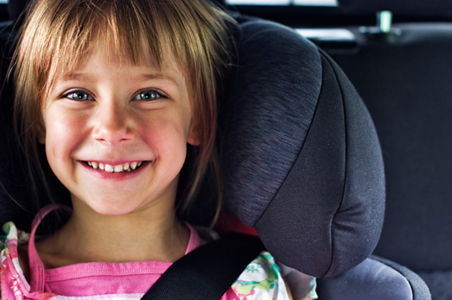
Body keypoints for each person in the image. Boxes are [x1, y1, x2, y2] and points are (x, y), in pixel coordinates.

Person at [0, 0, 317, 299]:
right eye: (78, 95)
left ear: (199, 120)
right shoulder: (8, 277)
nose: (111, 129)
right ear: (38, 120)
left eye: (149, 95)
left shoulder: (250, 283)